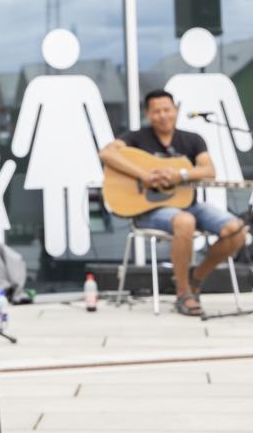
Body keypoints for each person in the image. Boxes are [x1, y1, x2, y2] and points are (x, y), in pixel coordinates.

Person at [99, 89, 248, 317]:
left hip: (190, 203)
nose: (163, 115)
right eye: (156, 111)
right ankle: (183, 292)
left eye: (167, 110)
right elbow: (107, 154)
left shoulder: (192, 139)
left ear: (175, 110)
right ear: (148, 114)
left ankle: (196, 277)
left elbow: (209, 170)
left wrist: (181, 176)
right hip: (151, 210)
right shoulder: (136, 138)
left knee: (236, 230)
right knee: (185, 222)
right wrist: (144, 175)